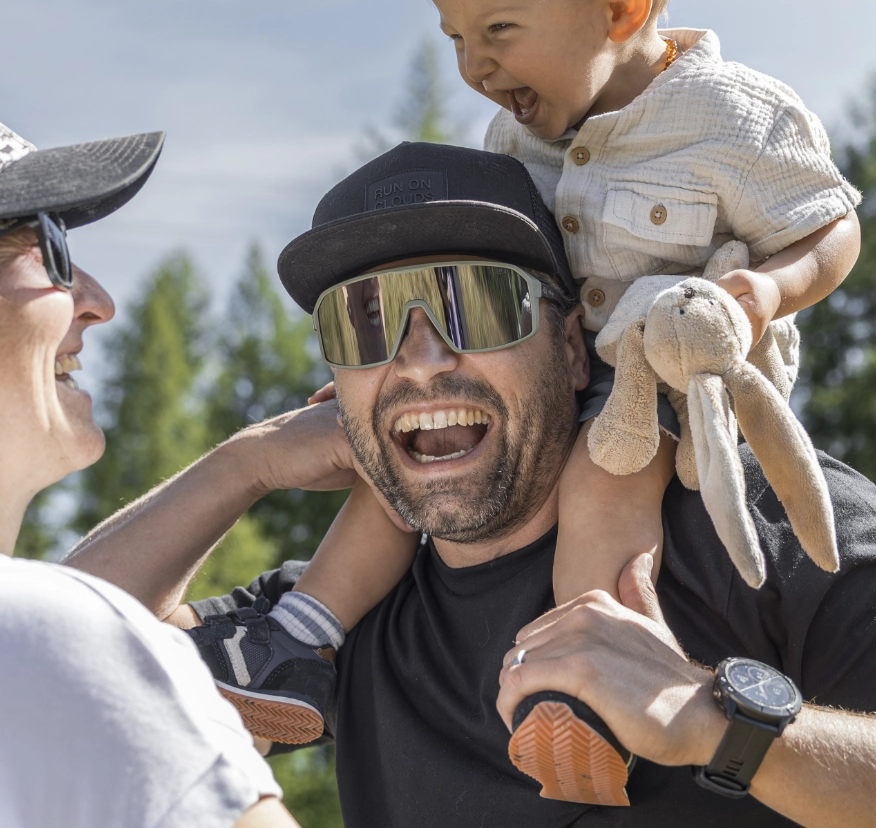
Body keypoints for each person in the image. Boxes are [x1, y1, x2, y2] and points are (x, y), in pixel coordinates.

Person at [184, 0, 864, 795]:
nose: (473, 64)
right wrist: (257, 455)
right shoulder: (521, 139)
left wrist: (766, 291)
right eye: (455, 38)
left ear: (620, 5)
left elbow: (829, 224)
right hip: (581, 385)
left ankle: (584, 678)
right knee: (387, 466)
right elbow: (57, 636)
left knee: (602, 481)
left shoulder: (732, 120)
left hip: (676, 384)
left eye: (497, 31)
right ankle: (301, 637)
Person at [68, 142, 876, 827]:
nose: (420, 361)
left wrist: (713, 718)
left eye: (477, 306)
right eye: (366, 323)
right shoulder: (334, 614)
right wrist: (247, 461)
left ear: (569, 348)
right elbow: (53, 654)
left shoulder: (764, 529)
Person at [0, 56, 299, 828]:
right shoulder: (51, 652)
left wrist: (247, 462)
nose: (97, 302)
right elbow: (47, 641)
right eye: (43, 245)